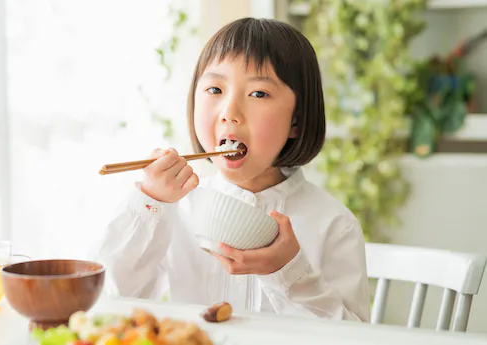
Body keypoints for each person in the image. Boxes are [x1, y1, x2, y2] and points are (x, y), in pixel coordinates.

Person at [91, 18, 370, 322]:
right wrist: (149, 203)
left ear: (296, 122)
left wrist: (288, 271)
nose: (230, 114)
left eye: (259, 94)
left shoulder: (334, 225)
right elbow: (110, 302)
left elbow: (353, 337)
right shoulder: (175, 208)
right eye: (214, 89)